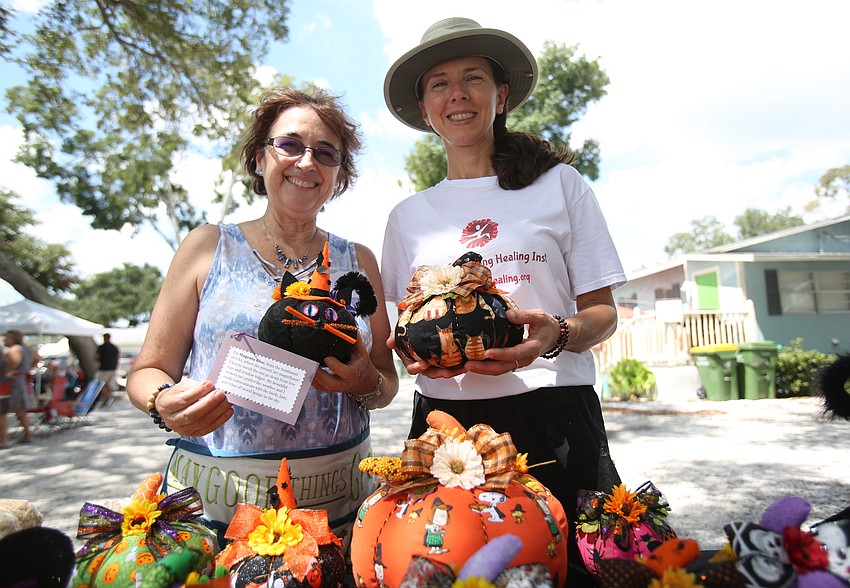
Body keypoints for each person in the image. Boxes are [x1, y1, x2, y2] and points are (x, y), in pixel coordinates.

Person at [381, 18, 626, 586]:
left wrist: (555, 335)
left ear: (502, 95)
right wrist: (409, 355)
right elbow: (411, 326)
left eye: (473, 78)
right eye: (439, 83)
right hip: (446, 423)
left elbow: (602, 312)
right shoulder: (408, 217)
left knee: (579, 568)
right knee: (446, 570)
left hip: (555, 410)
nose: (457, 94)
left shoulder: (561, 186)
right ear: (424, 107)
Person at [126, 87, 399, 548]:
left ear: (338, 174)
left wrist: (363, 380)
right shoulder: (207, 246)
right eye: (290, 144)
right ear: (259, 158)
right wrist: (162, 402)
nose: (307, 162)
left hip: (339, 510)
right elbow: (147, 371)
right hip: (216, 514)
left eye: (326, 153)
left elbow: (386, 384)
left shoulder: (360, 261)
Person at [1, 330, 35, 447]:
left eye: (6, 337)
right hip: (21, 380)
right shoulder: (26, 349)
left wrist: (9, 370)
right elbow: (37, 357)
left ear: (12, 338)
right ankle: (28, 434)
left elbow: (13, 363)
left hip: (13, 383)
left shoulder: (14, 349)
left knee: (12, 411)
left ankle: (6, 439)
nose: (4, 340)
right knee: (20, 411)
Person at [93, 333, 119, 408]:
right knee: (109, 385)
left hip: (103, 369)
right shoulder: (114, 347)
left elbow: (96, 357)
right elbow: (117, 358)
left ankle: (105, 399)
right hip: (112, 369)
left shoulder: (101, 347)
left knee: (101, 385)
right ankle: (108, 398)